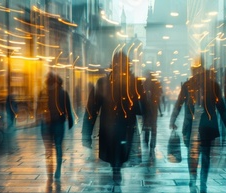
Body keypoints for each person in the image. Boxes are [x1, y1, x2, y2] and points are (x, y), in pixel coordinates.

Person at [82, 50, 143, 184]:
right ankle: (116, 167)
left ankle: (116, 167)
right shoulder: (130, 83)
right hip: (122, 126)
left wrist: (86, 134)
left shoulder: (107, 83)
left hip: (111, 126)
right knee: (119, 151)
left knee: (115, 151)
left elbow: (92, 109)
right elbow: (140, 109)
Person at [169, 65, 226, 190]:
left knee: (192, 154)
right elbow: (221, 107)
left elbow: (178, 104)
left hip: (191, 126)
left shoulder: (187, 85)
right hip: (207, 126)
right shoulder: (214, 85)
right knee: (206, 154)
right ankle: (203, 180)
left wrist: (173, 120)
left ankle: (193, 178)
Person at [37, 72, 74, 180]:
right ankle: (57, 169)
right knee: (57, 146)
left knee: (48, 148)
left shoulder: (43, 92)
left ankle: (50, 170)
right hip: (58, 122)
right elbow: (68, 107)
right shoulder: (63, 92)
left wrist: (39, 117)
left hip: (46, 123)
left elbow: (38, 108)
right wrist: (70, 120)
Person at [142, 70, 163, 157]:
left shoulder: (145, 83)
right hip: (153, 107)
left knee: (147, 125)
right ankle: (152, 145)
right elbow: (159, 95)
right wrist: (160, 110)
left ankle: (147, 140)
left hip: (146, 107)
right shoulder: (156, 83)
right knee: (154, 127)